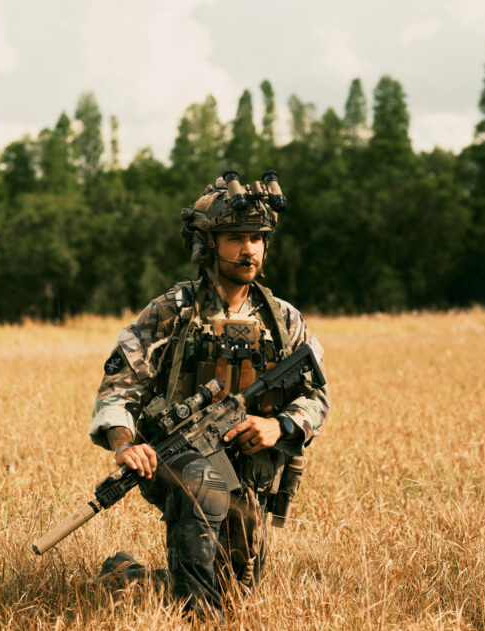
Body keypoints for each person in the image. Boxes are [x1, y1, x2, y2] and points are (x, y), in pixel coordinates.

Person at [89, 170, 330, 618]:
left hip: (250, 470)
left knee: (236, 592)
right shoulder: (172, 312)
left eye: (257, 238)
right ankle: (199, 618)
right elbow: (118, 387)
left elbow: (317, 396)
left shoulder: (283, 320)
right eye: (235, 237)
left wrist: (278, 426)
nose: (249, 249)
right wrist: (125, 445)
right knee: (205, 488)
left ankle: (128, 577)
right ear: (207, 244)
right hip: (179, 460)